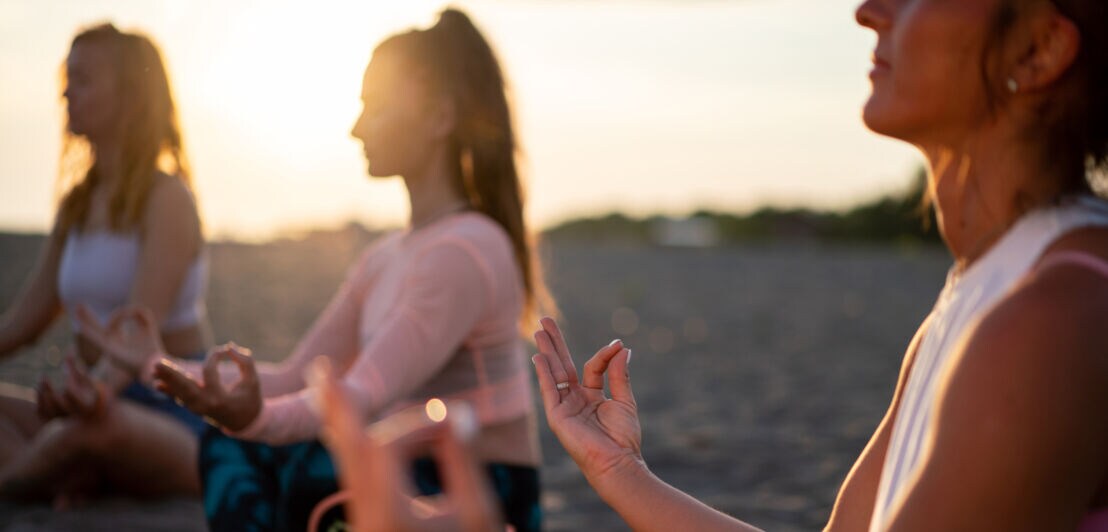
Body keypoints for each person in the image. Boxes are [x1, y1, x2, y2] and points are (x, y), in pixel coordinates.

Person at [326, 0, 1108, 530]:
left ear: (1039, 49)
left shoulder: (1051, 321)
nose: (869, 9)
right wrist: (619, 472)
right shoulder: (984, 294)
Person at [80, 8, 552, 532]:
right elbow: (294, 376)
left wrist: (254, 418)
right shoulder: (385, 256)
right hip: (407, 468)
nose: (356, 128)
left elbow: (357, 395)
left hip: (480, 493)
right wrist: (158, 364)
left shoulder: (464, 250)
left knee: (300, 463)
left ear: (440, 118)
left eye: (375, 107)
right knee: (232, 444)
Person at [0, 22, 209, 504]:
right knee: (71, 432)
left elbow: (135, 334)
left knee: (82, 433)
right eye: (67, 78)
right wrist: (83, 399)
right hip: (92, 402)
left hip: (171, 413)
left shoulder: (167, 198)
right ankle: (68, 476)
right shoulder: (77, 202)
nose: (66, 93)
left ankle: (38, 477)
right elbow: (23, 324)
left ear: (130, 97)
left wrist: (91, 396)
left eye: (84, 79)